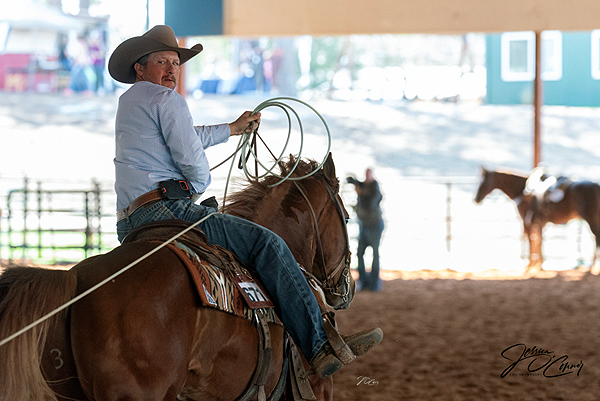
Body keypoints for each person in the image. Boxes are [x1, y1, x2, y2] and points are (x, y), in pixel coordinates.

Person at [108, 25, 381, 378]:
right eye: (162, 62)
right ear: (140, 68)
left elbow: (184, 135)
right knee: (269, 244)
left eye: (175, 63)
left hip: (130, 220)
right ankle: (318, 345)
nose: (172, 70)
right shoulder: (167, 100)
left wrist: (232, 129)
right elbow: (192, 160)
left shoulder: (130, 101)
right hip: (168, 210)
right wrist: (195, 187)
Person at [347, 168, 385, 291]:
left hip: (374, 225)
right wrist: (353, 182)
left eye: (369, 174)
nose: (367, 177)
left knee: (375, 254)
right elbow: (356, 182)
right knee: (360, 253)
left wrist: (360, 193)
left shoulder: (375, 189)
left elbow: (370, 203)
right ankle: (364, 282)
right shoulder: (364, 186)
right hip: (364, 225)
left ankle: (374, 284)